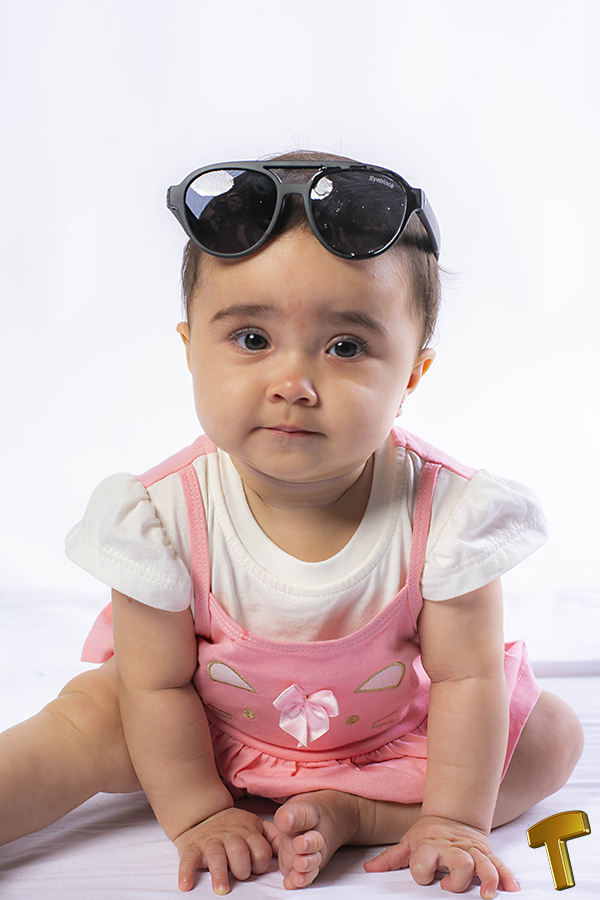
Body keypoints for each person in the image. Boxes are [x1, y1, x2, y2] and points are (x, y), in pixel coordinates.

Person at [0, 151, 584, 899]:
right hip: (195, 729)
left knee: (549, 737)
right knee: (87, 718)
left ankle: (362, 813)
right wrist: (198, 813)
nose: (294, 383)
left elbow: (467, 678)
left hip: (384, 736)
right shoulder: (160, 518)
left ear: (412, 375)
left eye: (346, 347)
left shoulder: (448, 517)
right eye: (252, 339)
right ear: (190, 349)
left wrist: (454, 820)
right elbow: (157, 686)